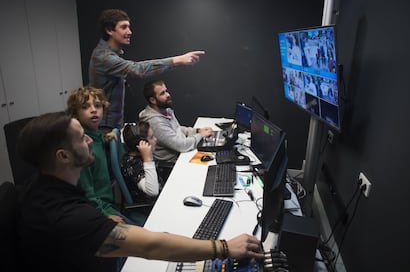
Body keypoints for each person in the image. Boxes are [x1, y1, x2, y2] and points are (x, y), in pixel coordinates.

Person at [16, 111, 264, 271]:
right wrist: (224, 248)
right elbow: (150, 247)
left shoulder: (43, 186)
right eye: (82, 138)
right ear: (63, 156)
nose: (91, 140)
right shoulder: (65, 215)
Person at [89, 8, 205, 130]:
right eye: (123, 27)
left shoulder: (108, 54)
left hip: (112, 125)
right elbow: (138, 69)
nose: (129, 32)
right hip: (106, 127)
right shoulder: (104, 57)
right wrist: (177, 60)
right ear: (109, 30)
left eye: (129, 27)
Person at [66, 87, 128, 224]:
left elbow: (100, 145)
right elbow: (86, 192)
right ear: (76, 113)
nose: (94, 110)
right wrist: (104, 214)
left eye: (98, 106)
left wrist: (107, 140)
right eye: (85, 107)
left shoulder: (98, 135)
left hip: (108, 203)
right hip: (101, 209)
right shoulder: (83, 147)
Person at [139, 79, 213, 165]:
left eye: (166, 91)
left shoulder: (166, 110)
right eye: (162, 93)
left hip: (181, 154)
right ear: (152, 100)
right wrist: (201, 135)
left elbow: (177, 129)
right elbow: (181, 145)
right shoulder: (155, 122)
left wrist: (197, 131)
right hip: (171, 164)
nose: (168, 95)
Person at [120, 121, 163, 203]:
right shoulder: (132, 165)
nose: (155, 139)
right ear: (142, 143)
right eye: (151, 137)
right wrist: (147, 158)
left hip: (162, 193)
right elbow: (153, 191)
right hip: (151, 206)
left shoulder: (138, 156)